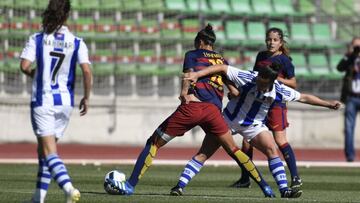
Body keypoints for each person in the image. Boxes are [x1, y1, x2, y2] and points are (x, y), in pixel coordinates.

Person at [105, 24, 275, 197]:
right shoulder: (222, 61)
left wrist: (183, 93)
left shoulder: (192, 54)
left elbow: (189, 74)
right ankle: (265, 187)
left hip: (193, 107)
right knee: (234, 149)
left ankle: (130, 185)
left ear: (200, 42)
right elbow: (234, 91)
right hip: (214, 112)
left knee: (154, 142)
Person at [171, 61, 341, 198]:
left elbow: (303, 97)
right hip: (228, 120)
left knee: (272, 149)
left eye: (263, 83)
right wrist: (197, 74)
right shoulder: (247, 77)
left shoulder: (279, 91)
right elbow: (222, 67)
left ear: (271, 82)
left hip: (253, 125)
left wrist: (328, 104)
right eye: (259, 79)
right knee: (204, 152)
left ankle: (284, 190)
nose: (259, 83)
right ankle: (179, 186)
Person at [20, 0, 92, 202]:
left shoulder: (38, 38)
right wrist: (86, 97)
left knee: (49, 152)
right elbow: (87, 72)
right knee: (44, 151)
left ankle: (69, 189)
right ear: (67, 15)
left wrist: (35, 73)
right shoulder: (77, 41)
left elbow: (24, 65)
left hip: (43, 101)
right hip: (65, 104)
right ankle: (38, 198)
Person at [233, 27, 302, 189]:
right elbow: (255, 78)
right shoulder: (261, 56)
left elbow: (293, 83)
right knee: (246, 141)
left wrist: (274, 78)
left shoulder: (284, 60)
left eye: (275, 40)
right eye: (269, 39)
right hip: (258, 103)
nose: (271, 43)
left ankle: (296, 177)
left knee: (280, 140)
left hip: (276, 104)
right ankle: (245, 178)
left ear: (281, 42)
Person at [337, 37, 360, 162]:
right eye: (355, 46)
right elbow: (339, 67)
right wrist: (349, 54)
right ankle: (350, 156)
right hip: (351, 96)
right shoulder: (349, 58)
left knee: (349, 126)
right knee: (349, 128)